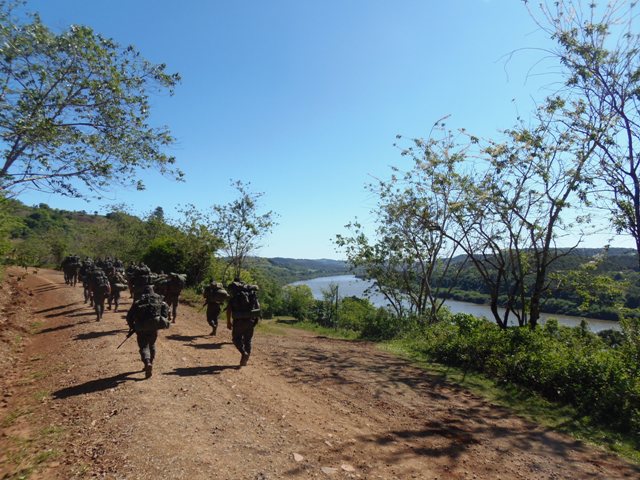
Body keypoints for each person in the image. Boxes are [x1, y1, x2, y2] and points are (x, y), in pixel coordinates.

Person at [126, 285, 170, 378]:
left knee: (143, 346)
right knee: (152, 344)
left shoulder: (139, 301)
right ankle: (151, 363)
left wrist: (132, 326)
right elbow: (165, 313)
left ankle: (147, 362)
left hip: (141, 328)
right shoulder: (159, 300)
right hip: (154, 327)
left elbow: (129, 316)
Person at [226, 279, 260, 367]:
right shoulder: (251, 295)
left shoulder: (235, 296)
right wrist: (256, 320)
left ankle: (243, 353)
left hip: (238, 321)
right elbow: (258, 307)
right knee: (247, 341)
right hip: (250, 321)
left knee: (236, 339)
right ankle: (245, 359)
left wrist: (228, 322)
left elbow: (229, 310)